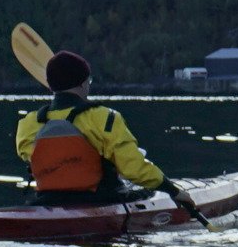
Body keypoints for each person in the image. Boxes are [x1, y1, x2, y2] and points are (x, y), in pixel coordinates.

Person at [13, 50, 178, 207]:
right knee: (145, 192)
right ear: (84, 83)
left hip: (47, 201)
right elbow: (133, 168)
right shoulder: (104, 118)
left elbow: (38, 159)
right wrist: (172, 190)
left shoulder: (29, 124)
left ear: (50, 85)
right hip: (100, 200)